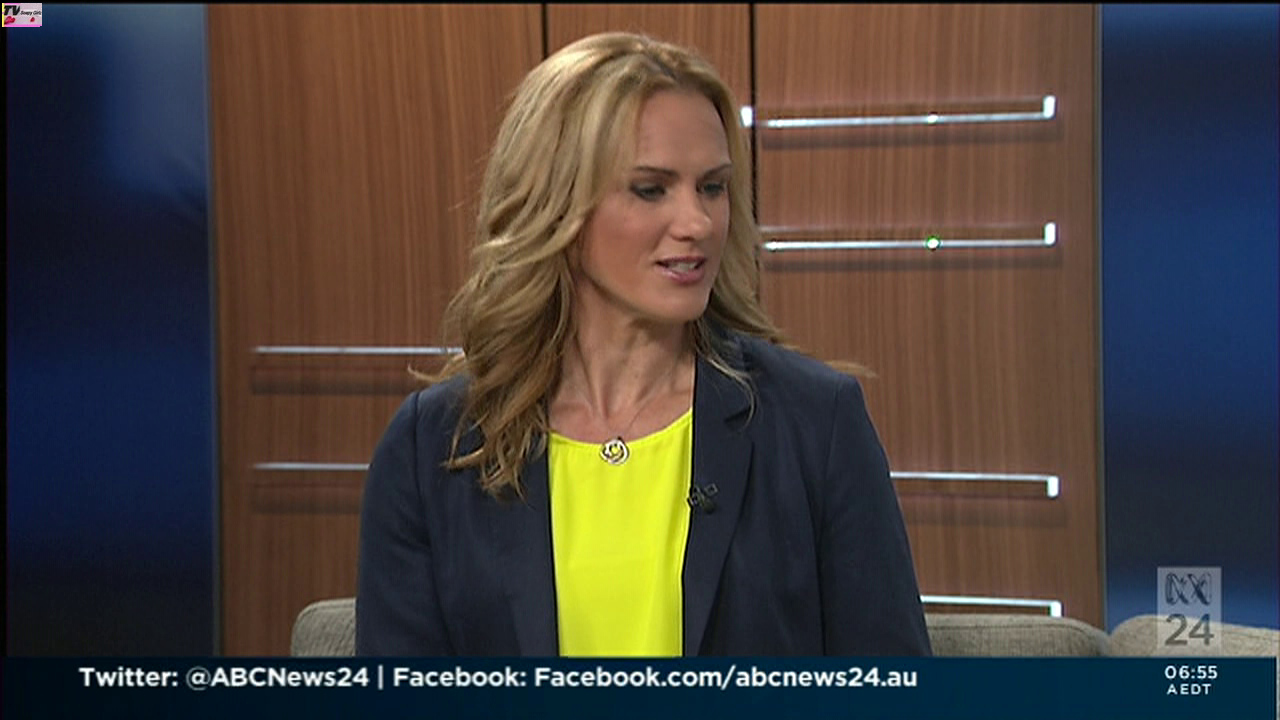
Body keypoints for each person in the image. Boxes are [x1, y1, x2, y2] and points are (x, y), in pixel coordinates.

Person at [356, 31, 931, 657]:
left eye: (712, 187)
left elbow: (892, 685)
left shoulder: (815, 423)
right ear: (557, 204)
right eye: (651, 188)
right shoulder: (435, 447)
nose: (697, 223)